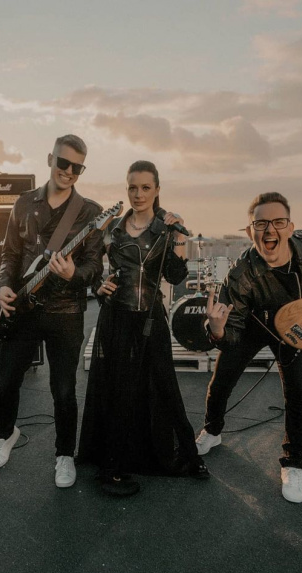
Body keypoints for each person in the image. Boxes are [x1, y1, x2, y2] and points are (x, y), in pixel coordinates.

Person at [195, 192, 302, 503]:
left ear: (290, 227)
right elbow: (230, 333)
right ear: (250, 231)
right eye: (261, 223)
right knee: (221, 380)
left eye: (278, 221)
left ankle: (293, 463)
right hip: (252, 323)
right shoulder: (240, 274)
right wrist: (217, 330)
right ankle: (212, 431)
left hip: (296, 323)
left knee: (298, 391)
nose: (269, 229)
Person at [78, 160, 209, 496]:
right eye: (132, 187)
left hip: (151, 317)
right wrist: (99, 287)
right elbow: (92, 269)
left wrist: (179, 238)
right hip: (116, 317)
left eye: (145, 187)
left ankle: (187, 456)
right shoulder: (112, 229)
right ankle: (112, 467)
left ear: (157, 190)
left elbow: (176, 277)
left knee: (165, 385)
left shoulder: (166, 229)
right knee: (118, 390)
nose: (138, 194)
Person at [0, 134, 103, 488]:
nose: (69, 171)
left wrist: (73, 275)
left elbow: (94, 268)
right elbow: (9, 254)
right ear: (50, 159)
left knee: (64, 390)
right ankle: (4, 434)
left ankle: (64, 454)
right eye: (63, 163)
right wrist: (2, 286)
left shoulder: (90, 212)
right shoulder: (24, 203)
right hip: (23, 307)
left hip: (65, 312)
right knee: (6, 382)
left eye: (77, 167)